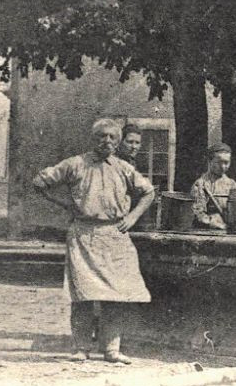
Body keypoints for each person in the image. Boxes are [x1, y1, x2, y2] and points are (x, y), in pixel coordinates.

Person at [32, 119, 156, 365]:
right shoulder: (75, 164)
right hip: (84, 236)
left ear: (118, 141)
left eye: (112, 137)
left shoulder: (123, 168)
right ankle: (81, 348)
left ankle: (111, 350)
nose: (106, 141)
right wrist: (67, 203)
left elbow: (148, 192)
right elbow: (40, 183)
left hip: (115, 236)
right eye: (101, 136)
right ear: (93, 138)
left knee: (116, 295)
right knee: (83, 296)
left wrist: (132, 217)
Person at [189, 142, 236, 231]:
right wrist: (211, 221)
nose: (223, 166)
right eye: (218, 162)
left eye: (226, 163)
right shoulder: (201, 184)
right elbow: (197, 213)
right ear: (209, 161)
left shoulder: (232, 184)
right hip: (208, 232)